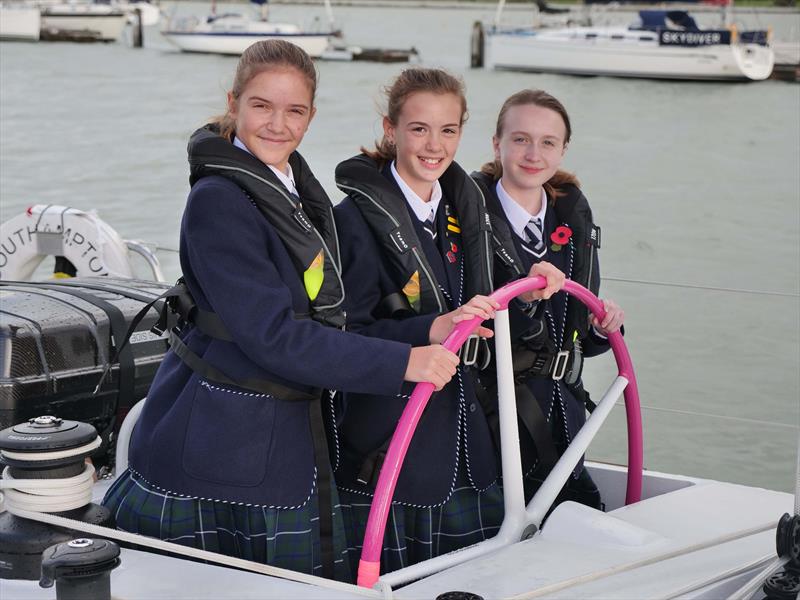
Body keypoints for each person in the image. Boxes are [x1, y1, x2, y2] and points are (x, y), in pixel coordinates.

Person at [102, 41, 461, 582]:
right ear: (235, 102)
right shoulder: (219, 201)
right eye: (262, 105)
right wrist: (402, 361)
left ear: (311, 116)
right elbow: (274, 336)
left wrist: (425, 329)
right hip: (221, 453)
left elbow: (325, 316)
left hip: (279, 441)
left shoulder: (288, 187)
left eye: (294, 110)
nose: (277, 124)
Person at [331, 68, 563, 575]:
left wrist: (539, 270)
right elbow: (343, 337)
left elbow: (506, 286)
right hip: (394, 450)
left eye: (448, 130)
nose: (434, 146)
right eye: (418, 129)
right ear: (391, 131)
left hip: (469, 444)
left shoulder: (465, 211)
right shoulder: (352, 220)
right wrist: (429, 329)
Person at [471, 89, 624, 508]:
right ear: (496, 144)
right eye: (520, 139)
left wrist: (601, 322)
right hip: (491, 412)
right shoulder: (464, 217)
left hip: (565, 409)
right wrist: (522, 298)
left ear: (563, 150)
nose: (533, 153)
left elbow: (583, 339)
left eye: (548, 142)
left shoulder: (572, 217)